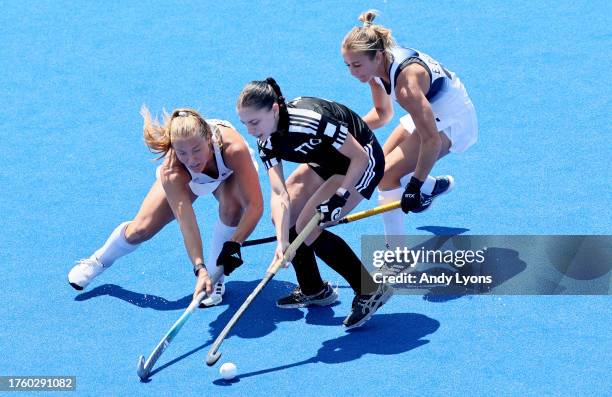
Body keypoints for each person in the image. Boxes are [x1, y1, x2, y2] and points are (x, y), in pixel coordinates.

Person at [237, 77, 393, 329]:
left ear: (274, 110)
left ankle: (369, 288)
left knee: (309, 226)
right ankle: (314, 289)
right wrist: (281, 242)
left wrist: (340, 195)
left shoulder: (310, 120)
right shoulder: (265, 139)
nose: (251, 130)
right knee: (284, 219)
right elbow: (279, 195)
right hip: (326, 161)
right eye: (245, 124)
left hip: (361, 161)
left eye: (254, 122)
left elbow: (359, 156)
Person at [68, 108, 263, 306]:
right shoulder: (173, 170)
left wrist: (234, 244)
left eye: (196, 150)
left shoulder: (234, 149)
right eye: (182, 153)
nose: (191, 159)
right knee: (140, 229)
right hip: (188, 180)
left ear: (210, 142)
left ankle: (215, 277)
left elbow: (255, 206)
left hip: (227, 175)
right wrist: (199, 267)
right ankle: (100, 260)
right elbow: (187, 222)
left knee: (233, 207)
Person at [341, 10, 478, 243]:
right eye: (348, 66)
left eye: (357, 65)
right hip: (426, 111)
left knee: (386, 177)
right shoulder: (374, 70)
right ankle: (432, 188)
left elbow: (432, 141)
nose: (353, 73)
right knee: (376, 169)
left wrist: (415, 184)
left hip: (452, 119)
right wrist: (345, 133)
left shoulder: (406, 87)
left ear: (377, 56)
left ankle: (396, 254)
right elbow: (383, 114)